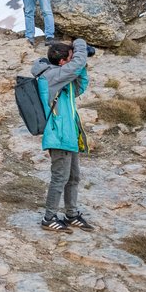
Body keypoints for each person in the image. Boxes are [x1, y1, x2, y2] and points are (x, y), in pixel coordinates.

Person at [31, 38, 96, 233]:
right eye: (70, 57)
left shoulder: (62, 80)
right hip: (58, 136)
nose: (73, 60)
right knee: (60, 178)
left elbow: (80, 87)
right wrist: (79, 43)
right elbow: (75, 65)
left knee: (73, 177)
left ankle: (71, 214)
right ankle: (49, 218)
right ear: (62, 62)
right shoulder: (51, 77)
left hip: (69, 136)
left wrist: (81, 67)